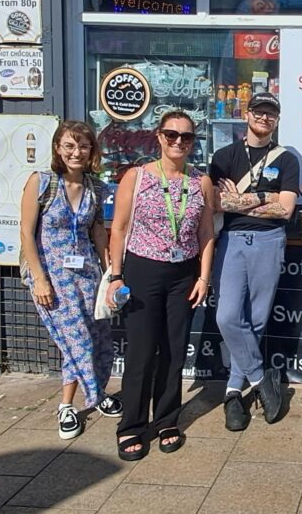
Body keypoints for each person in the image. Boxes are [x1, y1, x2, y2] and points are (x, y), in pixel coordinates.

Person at [106, 111, 215, 461]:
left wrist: (203, 277)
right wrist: (116, 275)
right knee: (141, 352)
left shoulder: (201, 182)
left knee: (174, 349)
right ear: (159, 137)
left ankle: (167, 419)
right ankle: (132, 427)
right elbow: (119, 228)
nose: (179, 141)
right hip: (142, 270)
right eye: (172, 134)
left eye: (186, 136)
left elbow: (206, 233)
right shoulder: (136, 177)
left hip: (183, 273)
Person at [19, 120, 121, 440]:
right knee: (75, 337)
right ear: (58, 149)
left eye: (83, 146)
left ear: (92, 150)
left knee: (97, 335)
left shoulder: (94, 186)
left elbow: (96, 230)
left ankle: (96, 394)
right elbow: (25, 232)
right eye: (70, 146)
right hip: (53, 275)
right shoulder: (42, 181)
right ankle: (70, 404)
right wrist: (39, 278)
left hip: (88, 272)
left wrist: (109, 271)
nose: (76, 152)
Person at [210, 91, 297, 431]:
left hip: (269, 241)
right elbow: (217, 204)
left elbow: (285, 209)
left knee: (256, 320)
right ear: (247, 115)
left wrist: (244, 198)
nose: (264, 118)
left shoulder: (287, 159)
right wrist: (265, 198)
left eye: (270, 113)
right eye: (259, 112)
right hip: (231, 242)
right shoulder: (224, 156)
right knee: (228, 316)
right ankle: (261, 380)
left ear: (277, 119)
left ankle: (233, 393)